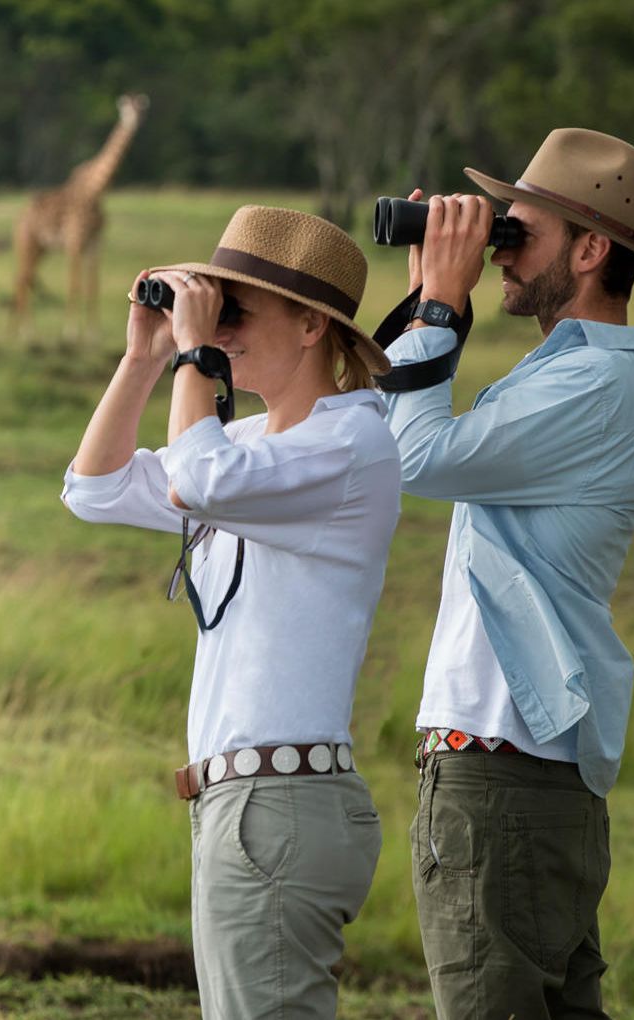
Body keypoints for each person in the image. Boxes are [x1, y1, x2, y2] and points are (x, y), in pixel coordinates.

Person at [381, 128, 634, 1019]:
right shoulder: (572, 374)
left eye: (518, 230)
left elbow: (416, 459)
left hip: (499, 772)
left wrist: (441, 310)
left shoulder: (594, 386)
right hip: (527, 774)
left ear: (592, 249)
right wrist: (420, 308)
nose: (501, 249)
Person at [61, 205, 400, 1018]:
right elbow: (94, 490)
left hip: (280, 805)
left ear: (315, 324)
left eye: (237, 311)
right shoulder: (248, 449)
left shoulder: (349, 446)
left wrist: (197, 354)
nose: (222, 329)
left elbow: (197, 484)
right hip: (244, 807)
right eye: (215, 309)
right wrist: (146, 356)